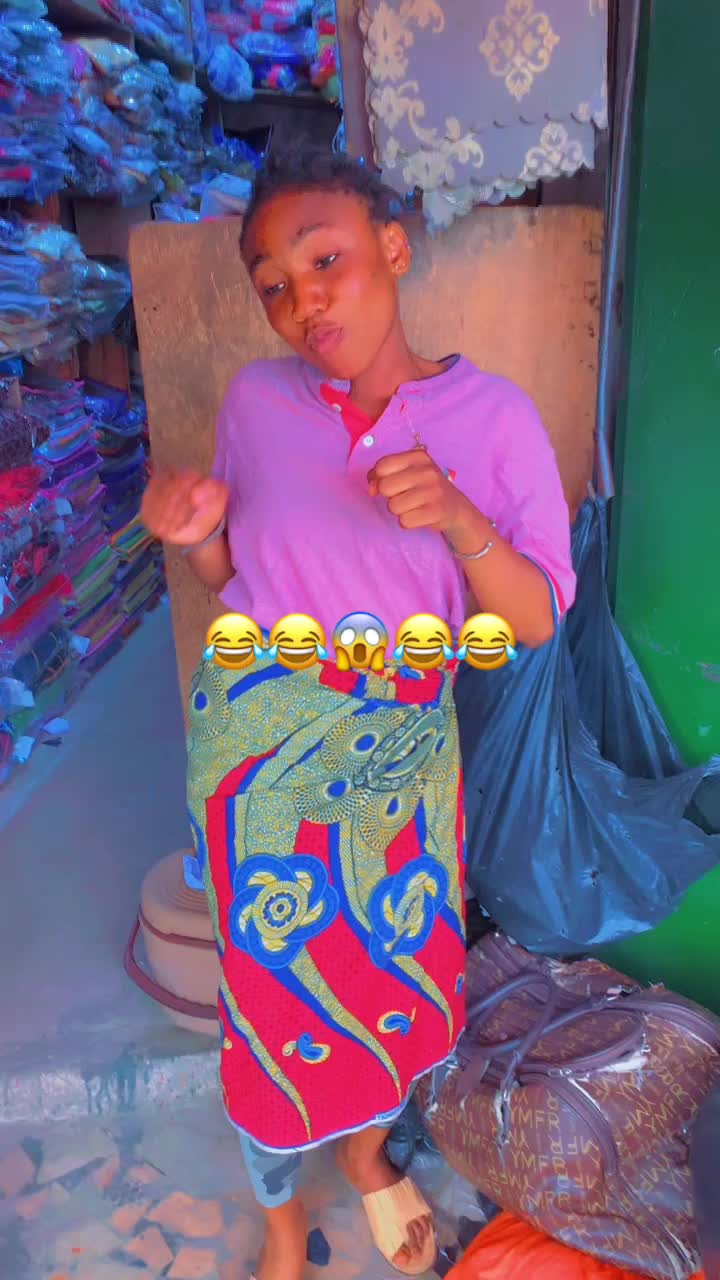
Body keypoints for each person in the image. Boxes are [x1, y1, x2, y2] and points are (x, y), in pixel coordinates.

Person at [141, 146, 576, 1280]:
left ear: (393, 247)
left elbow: (534, 619)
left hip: (400, 749)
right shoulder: (257, 401)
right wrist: (199, 535)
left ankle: (368, 1155)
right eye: (273, 284)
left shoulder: (493, 417)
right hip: (260, 741)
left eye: (325, 259)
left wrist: (460, 520)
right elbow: (235, 578)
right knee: (271, 986)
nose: (303, 300)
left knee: (385, 970)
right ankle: (283, 1211)